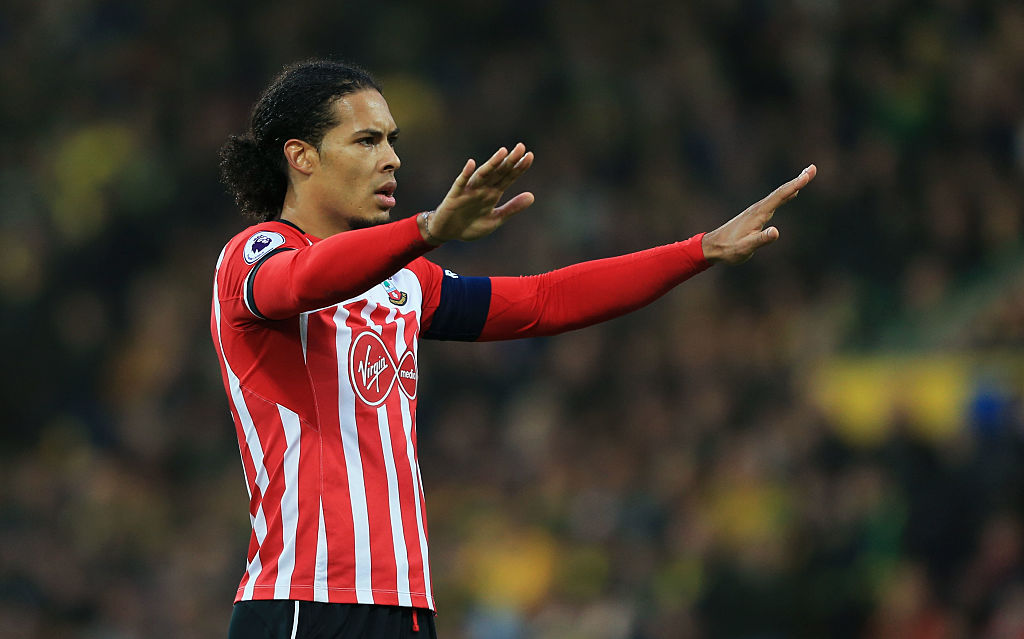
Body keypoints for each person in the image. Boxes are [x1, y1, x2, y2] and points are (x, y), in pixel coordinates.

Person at [212, 59, 816, 639]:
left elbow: (544, 301)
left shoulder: (406, 282)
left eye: (393, 140)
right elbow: (303, 281)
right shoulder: (253, 256)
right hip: (303, 602)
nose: (391, 158)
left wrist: (699, 250)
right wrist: (427, 229)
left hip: (404, 606)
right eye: (367, 141)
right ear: (301, 156)